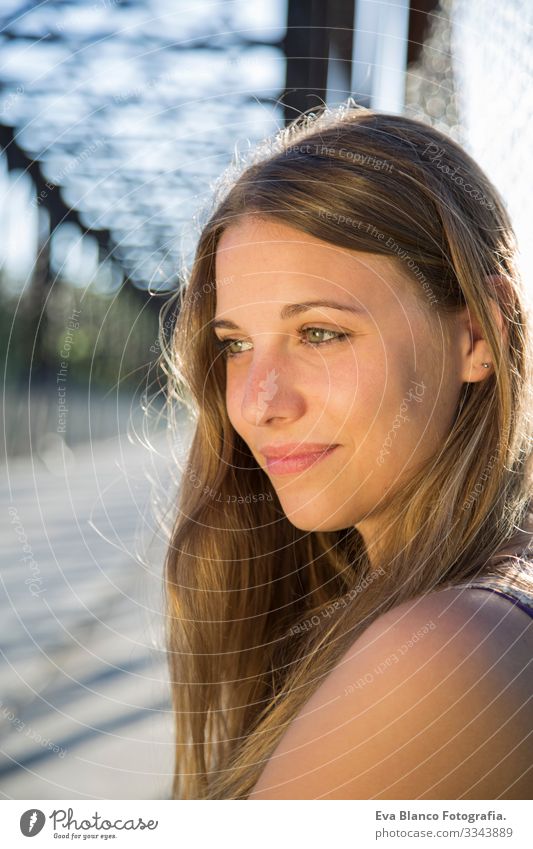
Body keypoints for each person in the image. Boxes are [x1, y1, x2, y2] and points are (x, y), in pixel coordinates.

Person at [158, 101, 533, 800]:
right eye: (235, 345)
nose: (260, 402)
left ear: (478, 335)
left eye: (319, 333)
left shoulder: (440, 653)